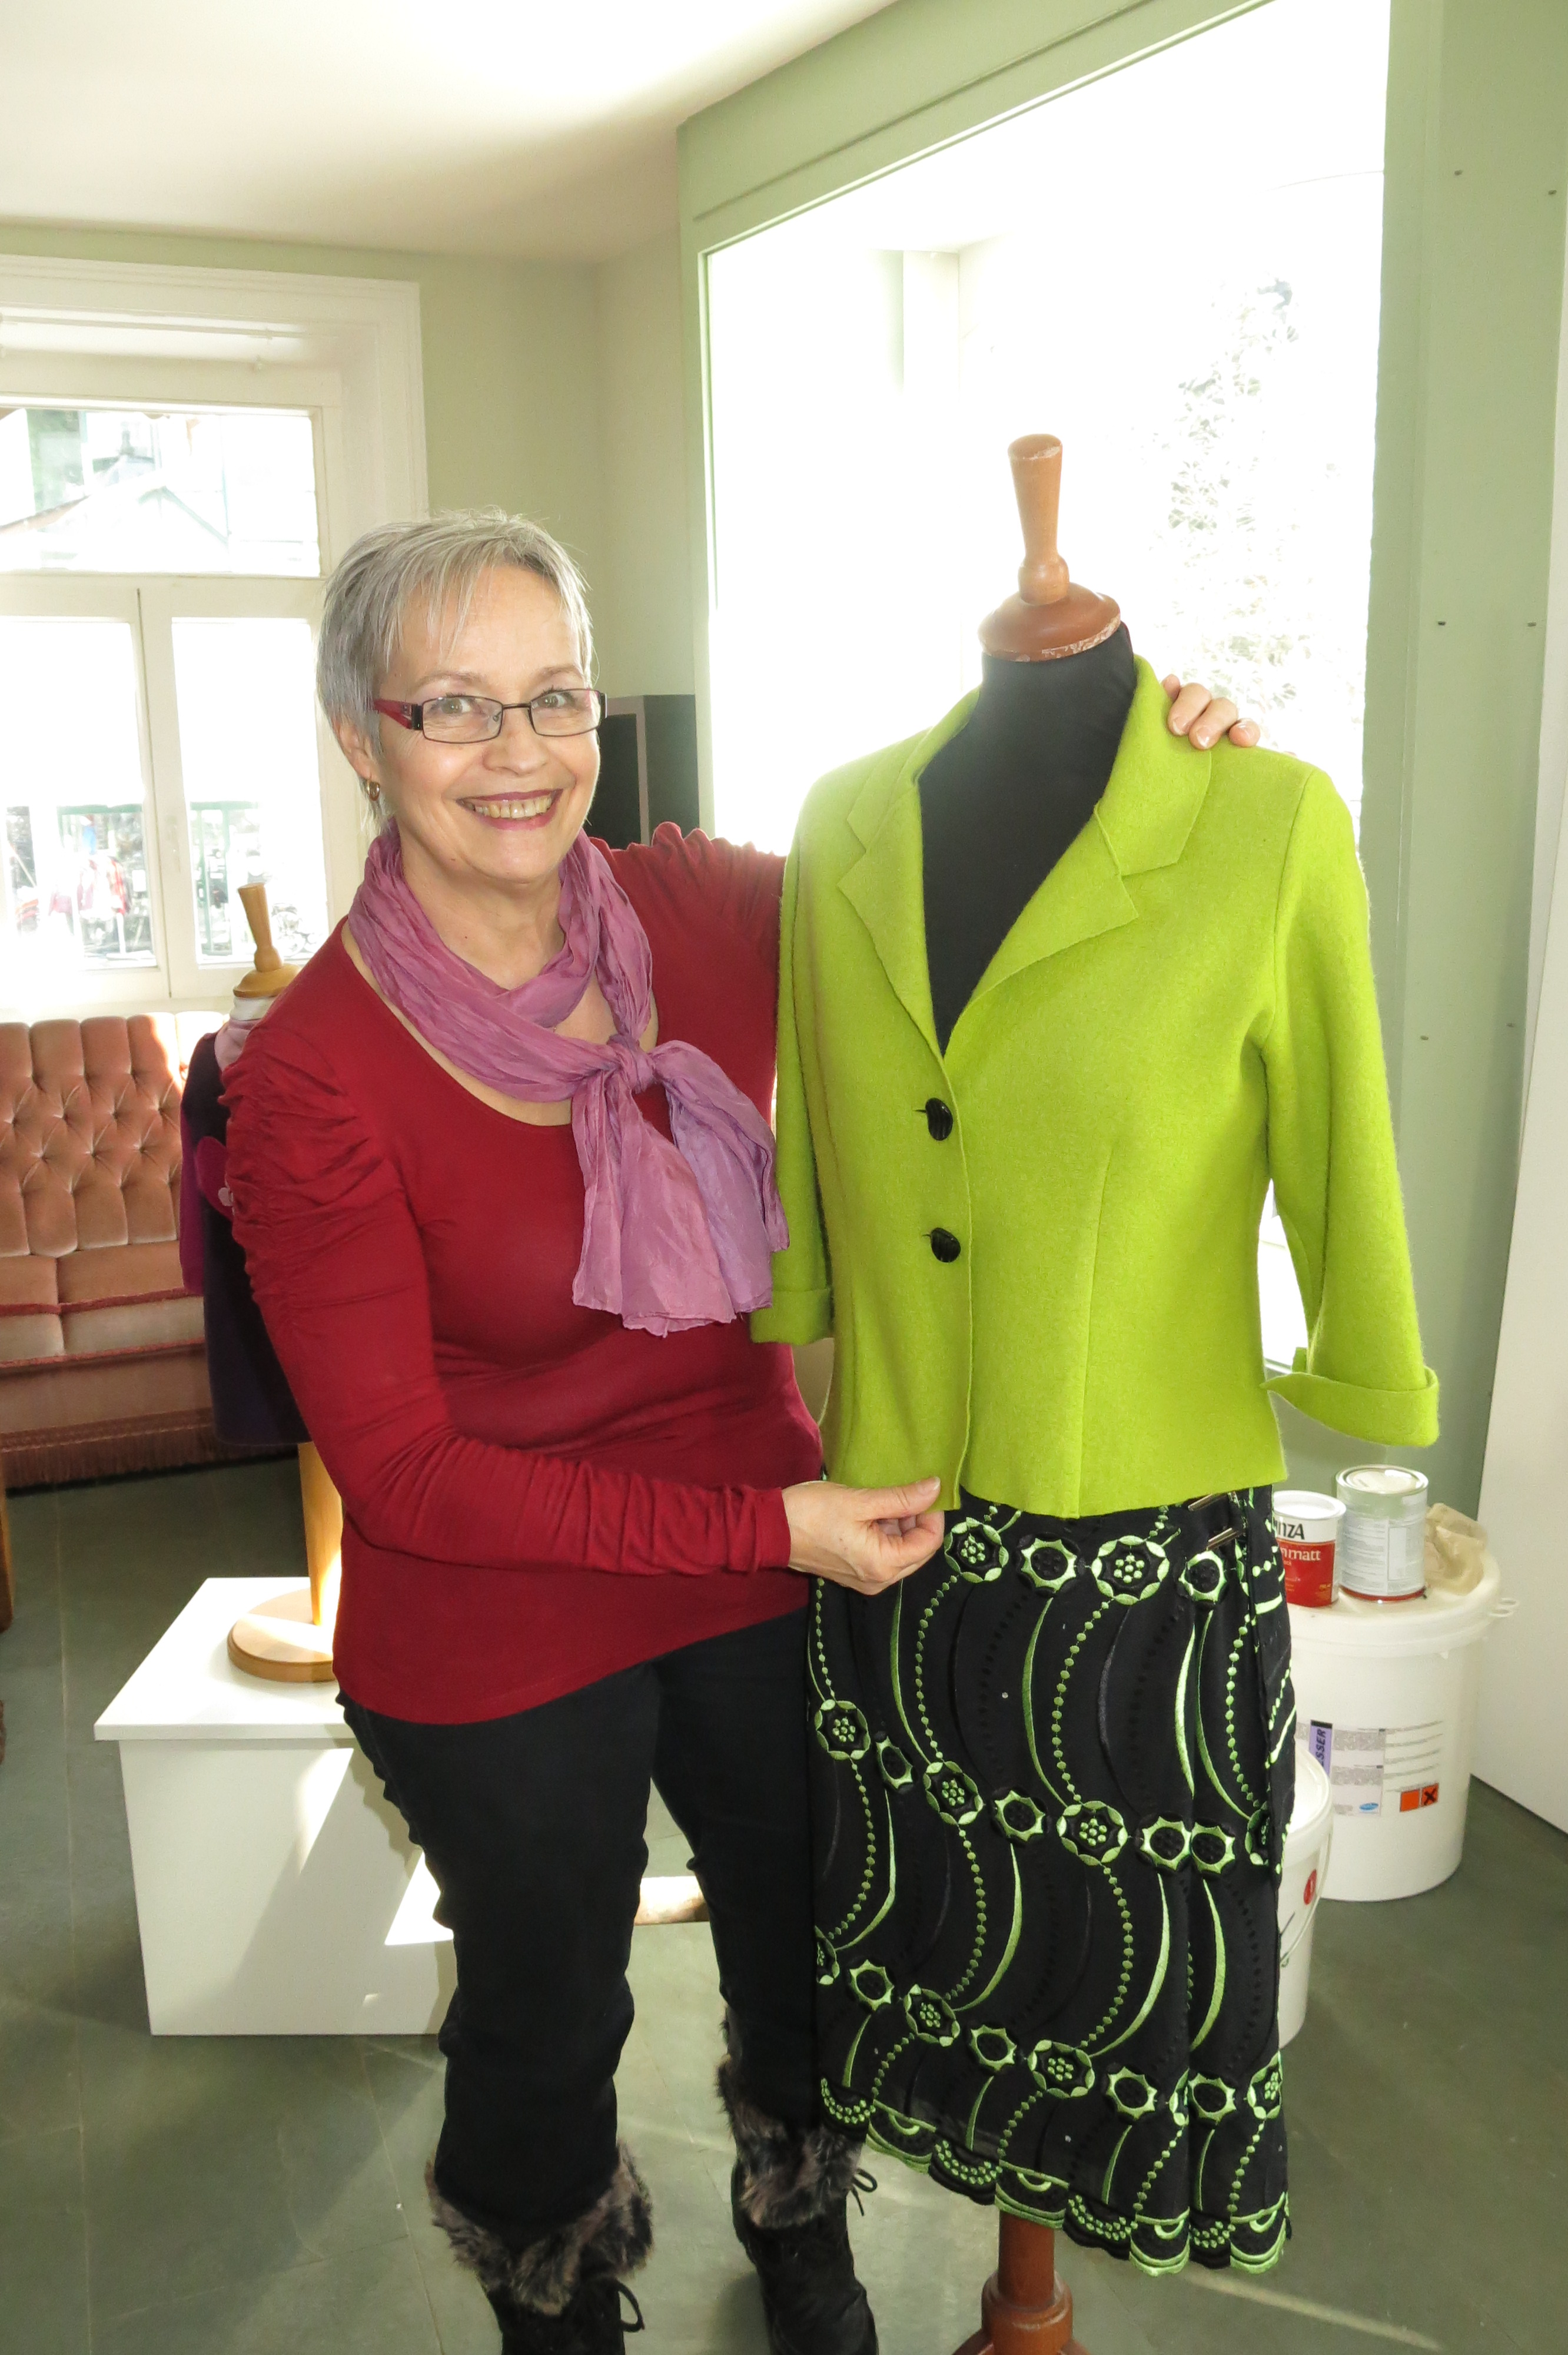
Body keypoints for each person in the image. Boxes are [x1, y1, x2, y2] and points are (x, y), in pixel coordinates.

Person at [223, 509, 1260, 2355]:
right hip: (496, 1601)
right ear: (361, 738)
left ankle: (798, 2216)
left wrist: (1149, 763)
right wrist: (777, 1528)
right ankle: (556, 2305)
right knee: (547, 2013)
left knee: (807, 1932)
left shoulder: (695, 905)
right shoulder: (314, 1077)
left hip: (752, 1537)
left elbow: (954, 888)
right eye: (455, 706)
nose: (521, 752)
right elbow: (408, 1478)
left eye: (555, 696)